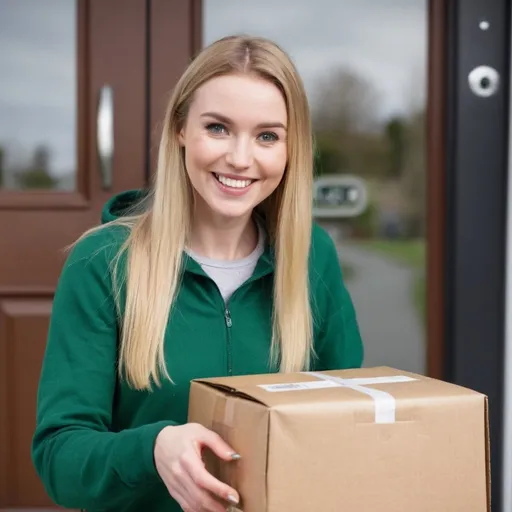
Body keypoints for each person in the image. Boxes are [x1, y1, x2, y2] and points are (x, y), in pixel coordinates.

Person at [31, 35, 364, 512]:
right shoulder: (102, 264)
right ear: (181, 130)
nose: (241, 158)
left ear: (292, 149)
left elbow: (348, 422)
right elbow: (59, 457)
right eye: (219, 128)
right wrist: (152, 449)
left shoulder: (313, 258)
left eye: (267, 136)